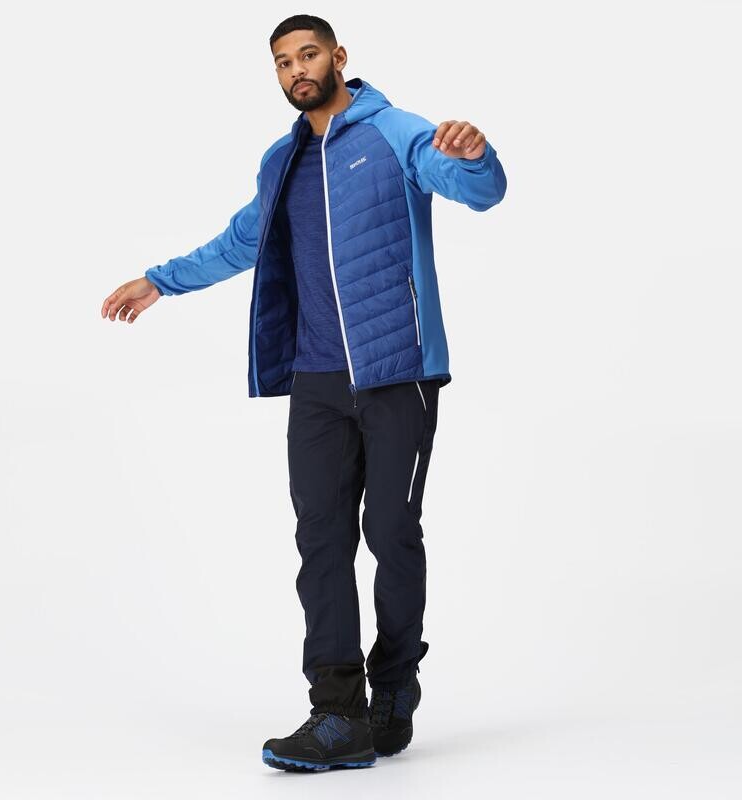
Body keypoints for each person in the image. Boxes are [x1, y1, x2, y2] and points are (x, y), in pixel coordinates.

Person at [101, 14, 507, 772]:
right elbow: (240, 242)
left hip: (398, 370)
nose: (297, 70)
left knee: (391, 530)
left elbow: (474, 189)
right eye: (284, 62)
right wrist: (159, 281)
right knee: (320, 539)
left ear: (338, 57)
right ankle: (336, 711)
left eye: (309, 54)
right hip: (316, 380)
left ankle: (395, 682)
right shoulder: (281, 161)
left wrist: (476, 158)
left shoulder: (395, 131)